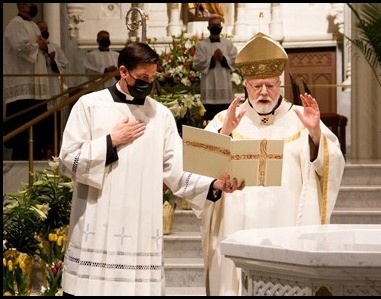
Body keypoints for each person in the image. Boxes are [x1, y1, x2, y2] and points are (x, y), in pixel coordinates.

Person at [58, 42, 244, 296]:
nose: (147, 83)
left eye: (152, 77)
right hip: (99, 219)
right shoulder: (89, 105)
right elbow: (69, 159)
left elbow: (178, 166)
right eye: (142, 77)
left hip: (141, 226)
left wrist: (212, 184)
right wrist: (110, 141)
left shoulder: (161, 115)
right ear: (123, 72)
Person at [197, 32, 346, 296]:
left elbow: (331, 163)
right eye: (257, 86)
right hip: (237, 224)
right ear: (246, 86)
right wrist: (226, 133)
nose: (264, 92)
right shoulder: (227, 118)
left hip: (286, 221)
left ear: (280, 85)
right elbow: (201, 172)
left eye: (270, 85)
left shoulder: (302, 117)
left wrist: (314, 135)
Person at [3, 3, 52, 160]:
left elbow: (38, 47)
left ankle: (38, 153)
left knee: (38, 128)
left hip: (37, 85)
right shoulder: (14, 25)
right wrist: (39, 44)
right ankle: (21, 155)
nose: (34, 5)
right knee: (22, 130)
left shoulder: (33, 26)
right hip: (22, 84)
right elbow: (20, 47)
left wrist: (44, 49)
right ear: (22, 5)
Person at [193, 16, 238, 122]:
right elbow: (197, 63)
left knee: (224, 120)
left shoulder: (227, 44)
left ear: (221, 27)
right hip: (208, 86)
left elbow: (235, 61)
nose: (216, 27)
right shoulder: (202, 45)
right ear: (208, 27)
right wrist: (212, 59)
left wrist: (223, 58)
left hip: (224, 86)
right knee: (209, 120)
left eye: (218, 25)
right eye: (213, 25)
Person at [37, 20, 70, 129]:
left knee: (54, 116)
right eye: (41, 29)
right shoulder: (34, 47)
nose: (45, 31)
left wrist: (53, 62)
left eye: (46, 28)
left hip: (54, 84)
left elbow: (64, 63)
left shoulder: (54, 46)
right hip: (40, 84)